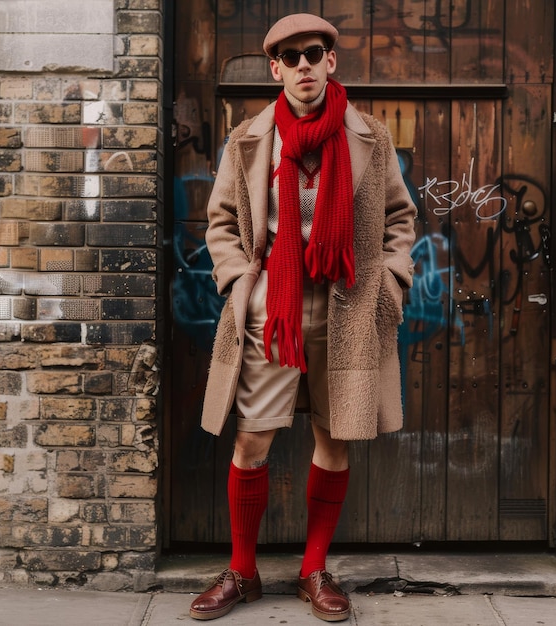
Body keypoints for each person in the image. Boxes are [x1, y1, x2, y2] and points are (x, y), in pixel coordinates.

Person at [190, 13, 417, 622]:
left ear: (331, 60)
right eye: (290, 57)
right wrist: (244, 284)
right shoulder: (249, 140)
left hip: (348, 305)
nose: (304, 65)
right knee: (252, 438)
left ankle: (314, 569)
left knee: (334, 435)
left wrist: (389, 286)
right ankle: (243, 572)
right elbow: (221, 224)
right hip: (275, 307)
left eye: (313, 53)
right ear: (276, 69)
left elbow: (400, 219)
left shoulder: (369, 134)